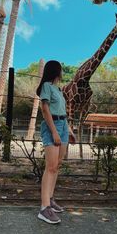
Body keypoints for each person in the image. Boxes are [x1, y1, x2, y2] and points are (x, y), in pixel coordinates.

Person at [36, 60, 76, 224]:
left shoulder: (58, 90)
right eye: (60, 69)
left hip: (63, 125)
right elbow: (45, 109)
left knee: (57, 165)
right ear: (55, 71)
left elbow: (62, 112)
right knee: (51, 166)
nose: (62, 72)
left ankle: (50, 200)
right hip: (52, 125)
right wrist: (54, 132)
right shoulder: (46, 86)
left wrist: (69, 131)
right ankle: (44, 208)